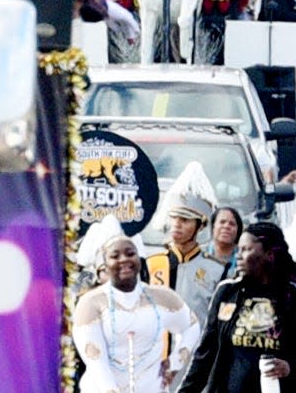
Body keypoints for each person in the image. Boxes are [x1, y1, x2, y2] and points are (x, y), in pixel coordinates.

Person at [178, 222, 296, 393]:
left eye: (246, 249)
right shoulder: (228, 292)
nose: (238, 256)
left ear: (269, 254)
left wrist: (292, 368)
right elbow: (205, 355)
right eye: (238, 249)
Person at [73, 236, 201, 393]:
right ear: (105, 265)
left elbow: (192, 325)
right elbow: (96, 361)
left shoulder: (161, 297)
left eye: (130, 253)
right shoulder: (91, 303)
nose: (124, 260)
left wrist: (175, 363)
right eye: (115, 256)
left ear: (139, 259)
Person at [146, 164, 229, 329]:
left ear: (200, 226)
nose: (177, 225)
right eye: (174, 218)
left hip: (198, 350)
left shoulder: (216, 269)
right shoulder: (151, 264)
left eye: (184, 220)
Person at [205, 206, 244, 276]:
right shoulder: (199, 254)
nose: (226, 226)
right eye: (222, 222)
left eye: (232, 224)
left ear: (238, 231)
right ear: (213, 227)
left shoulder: (244, 259)